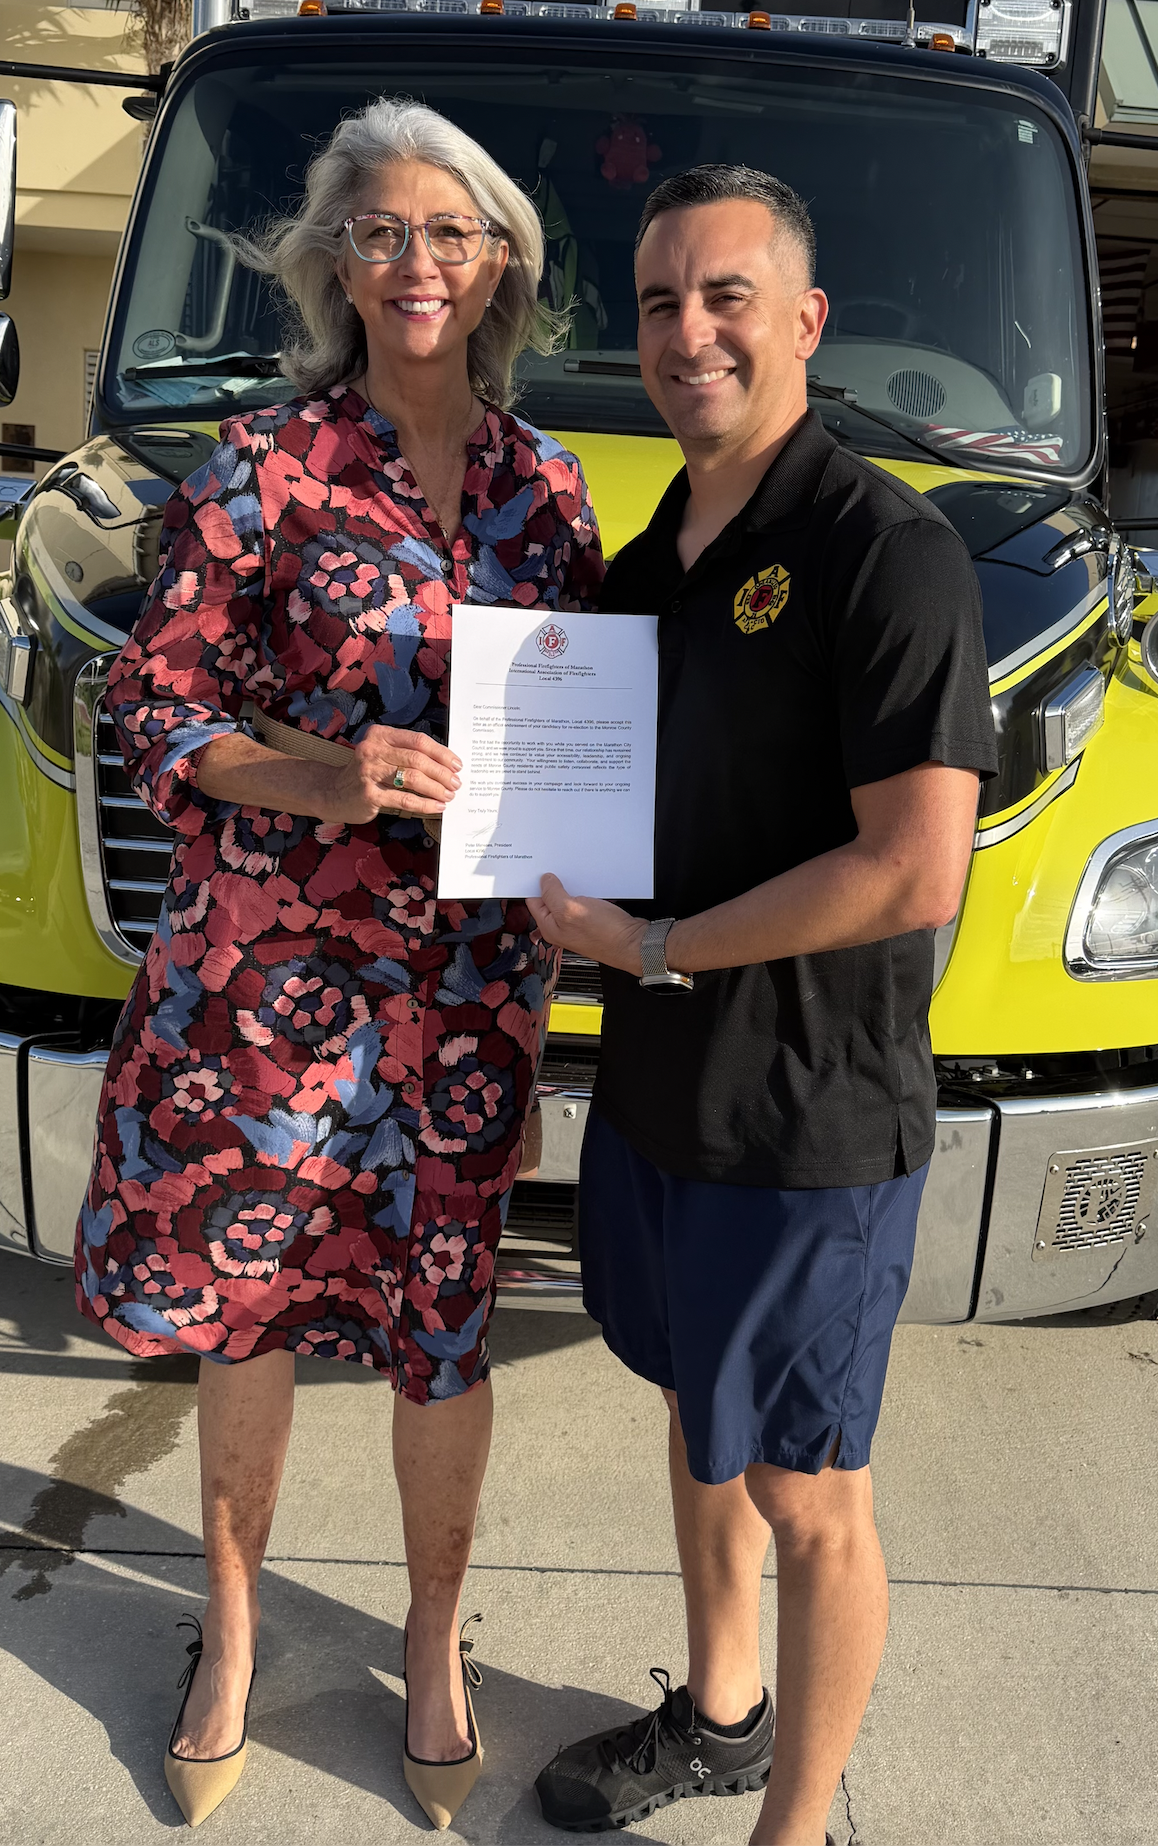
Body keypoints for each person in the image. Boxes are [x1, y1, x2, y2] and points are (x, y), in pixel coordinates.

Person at [74, 98, 602, 1832]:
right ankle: (229, 1637)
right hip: (270, 992)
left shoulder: (549, 490)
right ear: (335, 263)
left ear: (499, 258)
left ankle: (434, 1642)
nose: (413, 262)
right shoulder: (261, 464)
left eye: (447, 232)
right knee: (248, 1315)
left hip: (464, 1000)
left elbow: (586, 737)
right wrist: (322, 773)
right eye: (377, 232)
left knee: (443, 1326)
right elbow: (150, 703)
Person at [529, 165, 996, 1845]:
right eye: (657, 300)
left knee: (807, 1484)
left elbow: (909, 871)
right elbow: (597, 811)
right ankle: (721, 1713)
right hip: (663, 1095)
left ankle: (791, 1824)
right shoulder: (646, 564)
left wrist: (649, 948)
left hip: (806, 1119)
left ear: (803, 320)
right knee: (693, 1413)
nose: (687, 330)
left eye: (725, 294)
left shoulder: (888, 550)